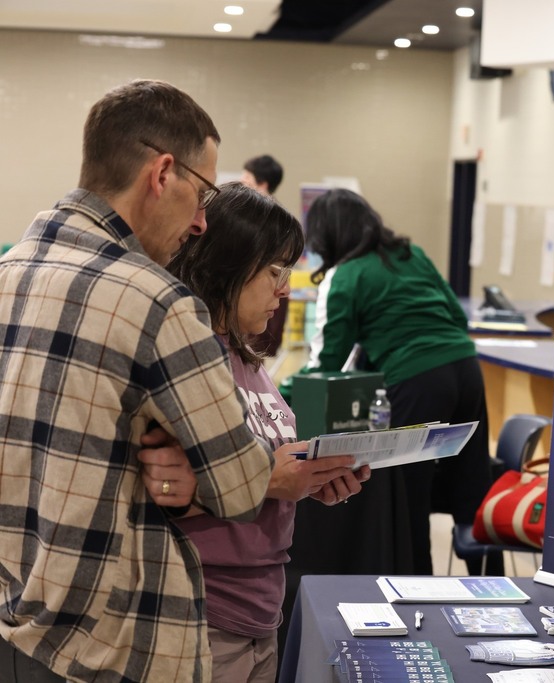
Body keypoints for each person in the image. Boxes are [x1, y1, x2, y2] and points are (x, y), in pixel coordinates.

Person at [0, 80, 279, 682]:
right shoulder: (157, 302)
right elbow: (243, 485)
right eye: (203, 194)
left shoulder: (8, 273)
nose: (203, 222)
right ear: (162, 174)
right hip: (113, 644)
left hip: (12, 621)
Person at [167, 182, 370, 682]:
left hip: (262, 610)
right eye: (274, 272)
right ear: (229, 266)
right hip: (205, 613)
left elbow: (265, 467)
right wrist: (270, 480)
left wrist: (313, 481)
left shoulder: (246, 357)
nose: (284, 289)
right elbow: (163, 488)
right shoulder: (185, 358)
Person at [295, 188, 497, 576]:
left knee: (409, 497)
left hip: (417, 382)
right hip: (467, 369)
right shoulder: (412, 254)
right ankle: (488, 587)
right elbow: (455, 315)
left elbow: (327, 362)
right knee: (472, 489)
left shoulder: (346, 275)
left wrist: (281, 395)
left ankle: (417, 586)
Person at [240, 154, 288, 356]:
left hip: (261, 297)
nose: (242, 186)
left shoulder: (264, 222)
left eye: (246, 181)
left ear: (263, 184)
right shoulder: (281, 219)